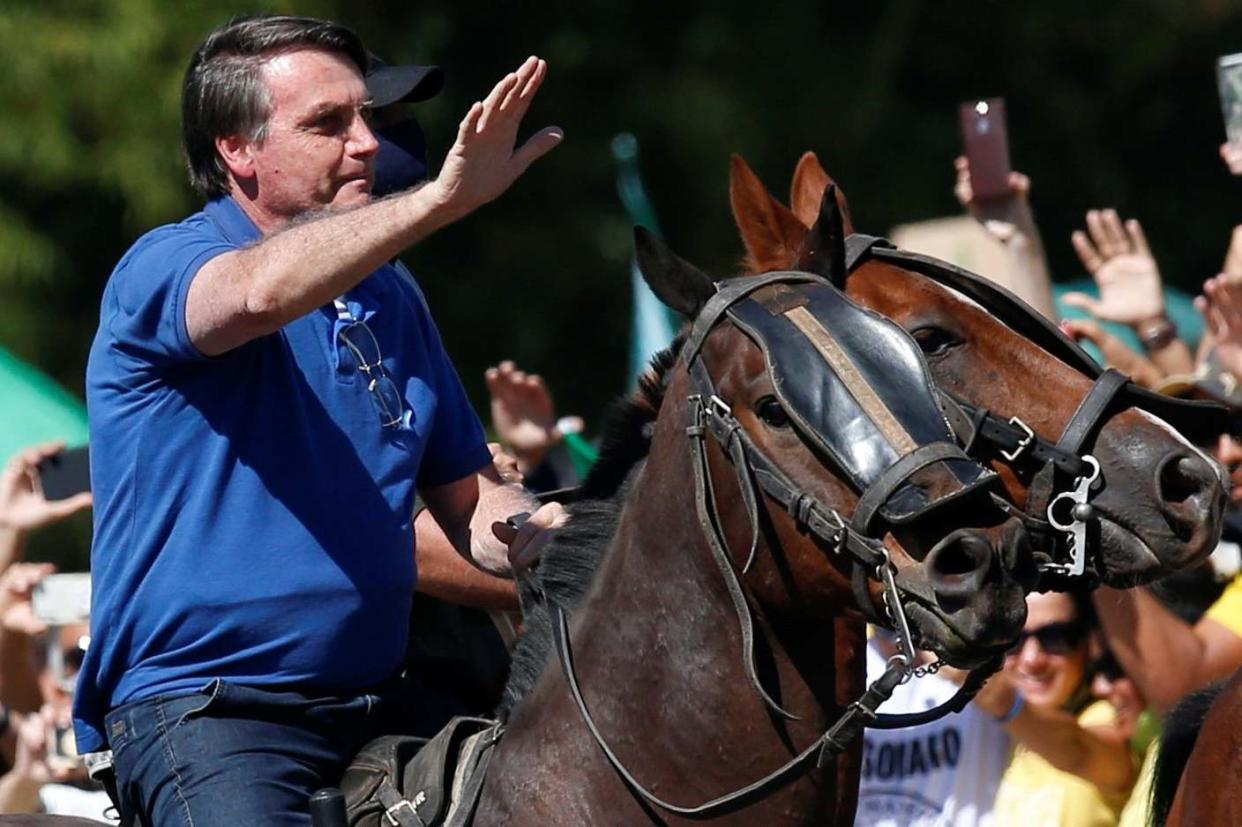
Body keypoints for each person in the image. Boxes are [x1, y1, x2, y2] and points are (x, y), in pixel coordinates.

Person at [72, 14, 566, 825]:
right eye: (330, 123)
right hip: (213, 715)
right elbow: (259, 294)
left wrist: (544, 533)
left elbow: (473, 503)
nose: (367, 142)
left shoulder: (393, 294)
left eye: (366, 116)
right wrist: (440, 200)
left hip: (387, 711)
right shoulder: (163, 265)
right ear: (238, 148)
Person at [985, 592, 1138, 826]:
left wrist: (985, 686)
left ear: (1090, 642)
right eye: (1013, 640)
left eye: (1055, 638)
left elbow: (1078, 751)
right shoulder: (1011, 737)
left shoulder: (1107, 715)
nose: (1031, 659)